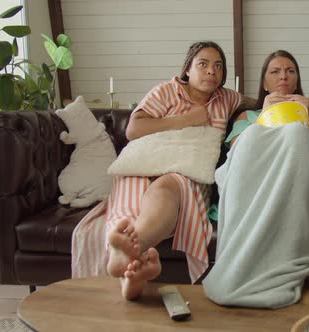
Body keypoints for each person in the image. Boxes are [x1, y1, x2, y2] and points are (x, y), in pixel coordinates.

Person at [71, 41, 245, 300]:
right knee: (128, 207)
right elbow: (133, 129)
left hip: (185, 173)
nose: (212, 71)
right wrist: (186, 120)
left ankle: (130, 250)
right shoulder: (166, 91)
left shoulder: (227, 99)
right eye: (203, 64)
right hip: (142, 166)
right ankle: (131, 273)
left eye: (218, 66)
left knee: (166, 187)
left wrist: (304, 101)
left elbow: (262, 101)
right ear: (187, 69)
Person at [201, 50, 309, 308]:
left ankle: (288, 262)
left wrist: (304, 114)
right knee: (253, 137)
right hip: (258, 177)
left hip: (302, 172)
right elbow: (239, 154)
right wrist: (264, 117)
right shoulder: (247, 116)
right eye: (275, 71)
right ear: (264, 83)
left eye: (290, 71)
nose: (283, 76)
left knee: (295, 134)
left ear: (297, 79)